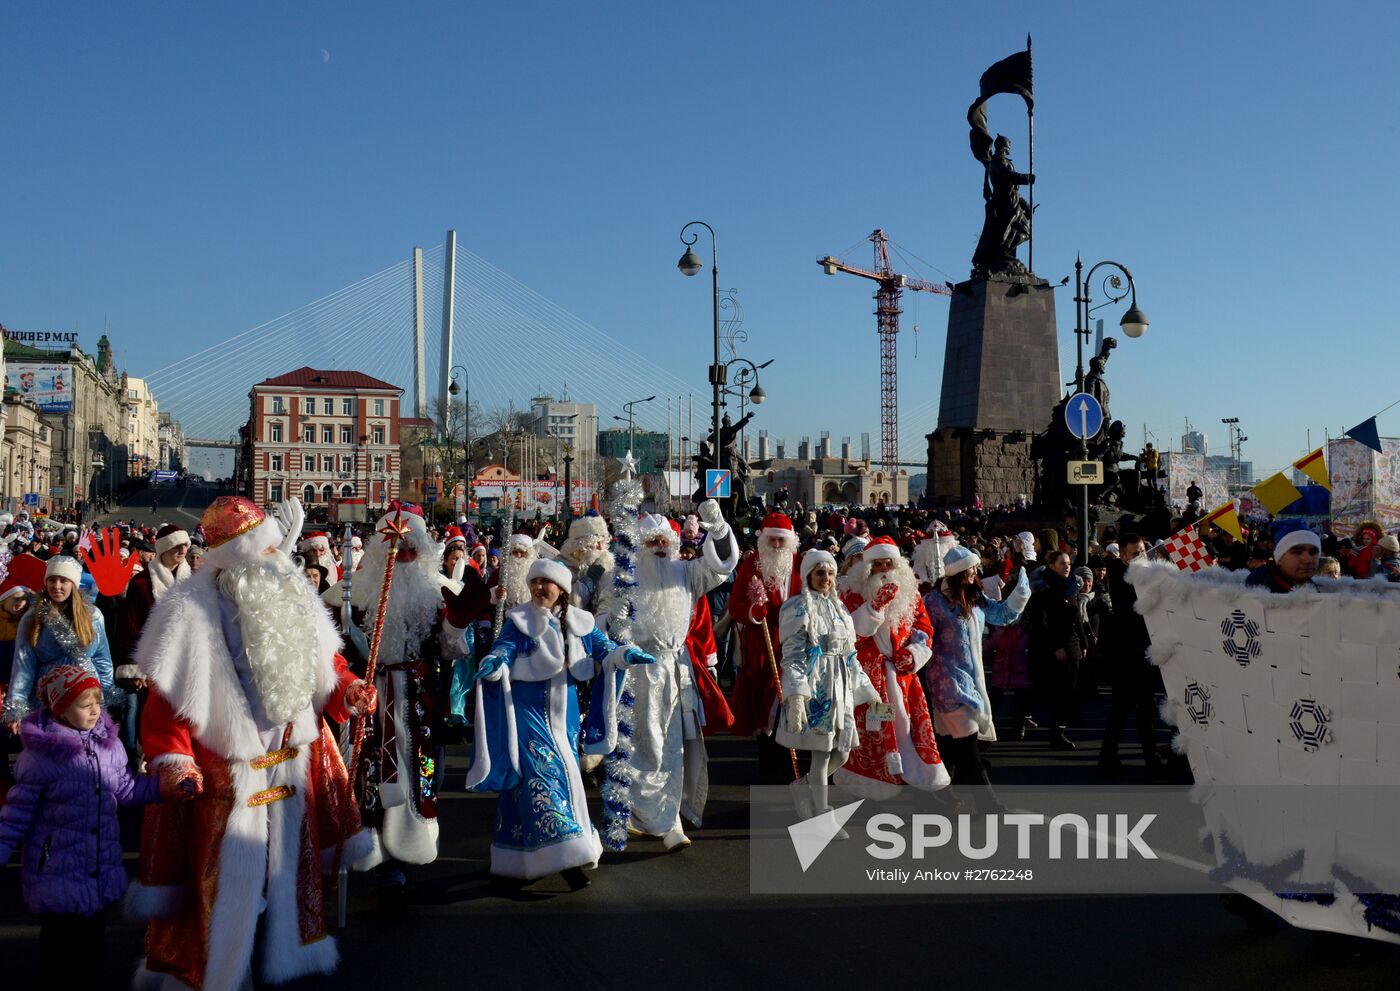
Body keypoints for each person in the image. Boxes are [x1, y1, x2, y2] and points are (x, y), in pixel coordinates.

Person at [127, 496, 376, 989]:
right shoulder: (189, 610)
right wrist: (174, 759)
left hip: (287, 757)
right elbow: (168, 699)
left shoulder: (290, 592)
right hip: (227, 765)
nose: (273, 558)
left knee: (284, 865)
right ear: (235, 557)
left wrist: (347, 689)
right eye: (261, 550)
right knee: (226, 877)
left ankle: (280, 955)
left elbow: (321, 663)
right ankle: (222, 969)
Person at [466, 558, 651, 888]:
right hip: (527, 715)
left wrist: (625, 655)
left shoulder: (580, 623)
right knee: (544, 777)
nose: (539, 588)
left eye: (545, 583)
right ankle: (567, 858)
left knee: (551, 782)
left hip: (563, 719)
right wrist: (493, 663)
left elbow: (605, 652)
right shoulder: (518, 621)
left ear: (561, 589)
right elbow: (504, 649)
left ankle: (518, 855)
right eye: (534, 582)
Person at [0, 664, 186, 982]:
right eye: (85, 704)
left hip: (97, 870)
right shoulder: (40, 759)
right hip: (57, 874)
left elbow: (126, 787)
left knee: (93, 951)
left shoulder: (106, 746)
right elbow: (15, 816)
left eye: (97, 702)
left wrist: (162, 788)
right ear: (60, 709)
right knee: (61, 958)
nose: (95, 710)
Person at [325, 501, 477, 883]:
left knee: (429, 773)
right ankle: (385, 860)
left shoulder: (436, 591)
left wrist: (457, 623)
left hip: (423, 699)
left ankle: (411, 843)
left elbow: (450, 649)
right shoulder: (353, 594)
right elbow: (331, 649)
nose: (404, 557)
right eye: (396, 549)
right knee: (375, 776)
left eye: (411, 550)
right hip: (372, 697)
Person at [591, 499, 738, 851]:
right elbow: (603, 617)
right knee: (641, 745)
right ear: (640, 545)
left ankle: (670, 820)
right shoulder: (624, 575)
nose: (659, 548)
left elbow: (721, 567)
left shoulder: (685, 573)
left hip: (674, 671)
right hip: (636, 671)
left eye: (663, 542)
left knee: (674, 746)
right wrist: (606, 654)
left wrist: (716, 527)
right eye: (652, 542)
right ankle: (637, 815)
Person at [835, 536, 947, 798]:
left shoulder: (911, 594)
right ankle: (874, 786)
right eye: (878, 564)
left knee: (907, 729)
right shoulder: (852, 593)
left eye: (889, 563)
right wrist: (874, 607)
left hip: (903, 677)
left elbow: (923, 628)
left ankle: (914, 779)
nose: (885, 569)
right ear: (867, 568)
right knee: (874, 733)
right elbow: (850, 634)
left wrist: (914, 653)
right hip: (869, 678)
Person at [777, 550, 878, 823]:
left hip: (841, 688)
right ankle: (822, 815)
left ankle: (803, 787)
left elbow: (850, 655)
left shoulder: (839, 608)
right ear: (808, 575)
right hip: (817, 688)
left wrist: (869, 691)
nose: (827, 579)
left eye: (831, 573)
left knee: (842, 752)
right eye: (820, 573)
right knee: (821, 754)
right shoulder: (797, 607)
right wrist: (797, 694)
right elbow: (793, 656)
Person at [924, 544, 1029, 807]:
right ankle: (988, 803)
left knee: (950, 747)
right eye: (970, 568)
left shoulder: (975, 597)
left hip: (972, 681)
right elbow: (922, 635)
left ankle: (938, 793)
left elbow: (1003, 615)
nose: (975, 571)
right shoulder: (935, 602)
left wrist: (1020, 594)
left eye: (974, 567)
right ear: (957, 572)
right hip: (946, 682)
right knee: (969, 745)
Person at [728, 511, 803, 783]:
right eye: (771, 540)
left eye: (781, 541)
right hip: (763, 648)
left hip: (795, 647)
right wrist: (752, 612)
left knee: (791, 708)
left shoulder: (801, 565)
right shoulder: (752, 566)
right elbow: (735, 606)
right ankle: (769, 768)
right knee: (765, 711)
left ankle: (789, 767)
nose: (776, 546)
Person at [2, 556, 114, 731]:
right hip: (48, 697)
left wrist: (107, 695)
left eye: (63, 580)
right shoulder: (32, 618)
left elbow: (102, 659)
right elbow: (23, 665)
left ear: (73, 584)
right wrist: (16, 707)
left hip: (87, 695)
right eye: (52, 580)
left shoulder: (93, 615)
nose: (57, 586)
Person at [1097, 534, 1164, 777]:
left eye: (1144, 551)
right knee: (1132, 708)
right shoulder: (1124, 576)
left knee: (1135, 708)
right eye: (1135, 553)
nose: (1142, 556)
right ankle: (1147, 760)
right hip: (1127, 655)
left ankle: (1112, 756)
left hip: (1140, 652)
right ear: (1123, 556)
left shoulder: (1140, 574)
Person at [1025, 549, 1087, 749]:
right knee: (1055, 692)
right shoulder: (1044, 590)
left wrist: (1084, 643)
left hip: (1073, 646)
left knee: (1070, 691)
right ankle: (1053, 731)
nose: (1067, 566)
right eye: (1062, 563)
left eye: (1068, 563)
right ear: (1051, 565)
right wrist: (1056, 647)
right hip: (1053, 649)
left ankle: (1060, 729)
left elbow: (1078, 618)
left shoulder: (1072, 587)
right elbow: (1041, 624)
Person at [1245, 522, 1320, 592]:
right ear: (1279, 558)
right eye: (1297, 552)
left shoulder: (1319, 589)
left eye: (1313, 552)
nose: (1308, 560)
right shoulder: (1259, 584)